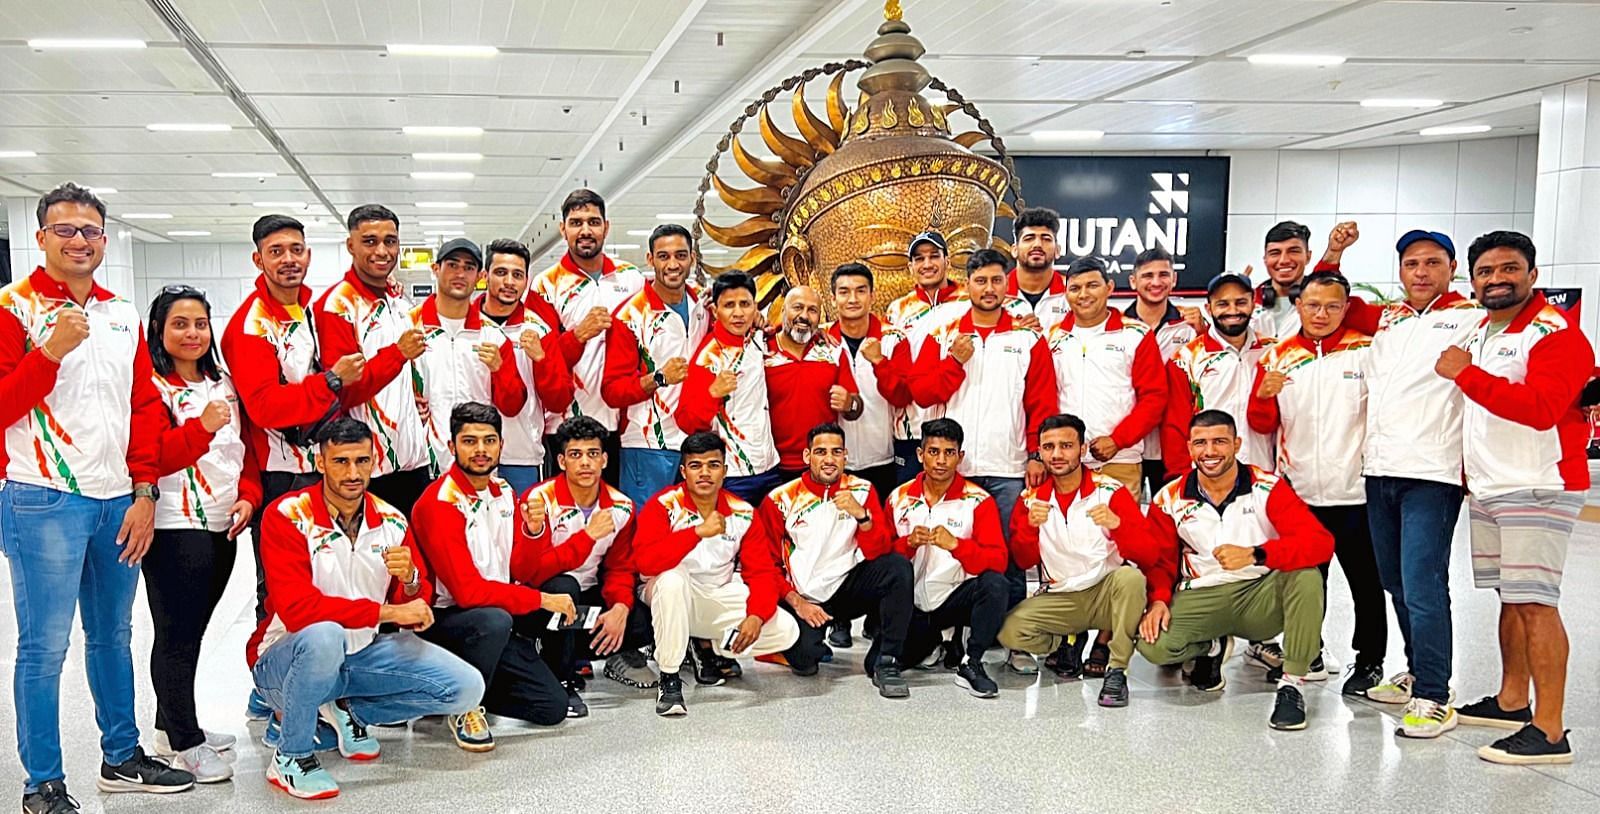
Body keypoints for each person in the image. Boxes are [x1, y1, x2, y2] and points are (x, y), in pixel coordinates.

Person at [0, 183, 195, 809]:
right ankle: (44, 782)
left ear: (105, 239)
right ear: (41, 237)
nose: (79, 240)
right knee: (42, 648)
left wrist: (144, 491)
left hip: (119, 501)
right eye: (65, 230)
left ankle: (121, 756)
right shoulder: (13, 307)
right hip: (44, 499)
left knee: (113, 636)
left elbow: (143, 407)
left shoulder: (120, 313)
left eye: (90, 230)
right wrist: (49, 354)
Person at [249, 419, 484, 799]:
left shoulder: (391, 520)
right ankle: (291, 756)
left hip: (359, 656)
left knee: (466, 687)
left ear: (375, 461)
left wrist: (410, 582)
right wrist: (388, 614)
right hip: (285, 661)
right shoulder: (287, 515)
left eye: (362, 461)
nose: (353, 473)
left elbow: (414, 599)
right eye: (341, 461)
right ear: (320, 462)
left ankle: (347, 711)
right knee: (324, 635)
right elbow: (297, 611)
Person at [1441, 231, 1592, 765]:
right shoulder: (1483, 329)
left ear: (1532, 274)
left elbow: (1543, 408)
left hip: (1537, 484)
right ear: (1474, 279)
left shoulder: (1555, 333)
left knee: (1535, 603)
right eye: (1486, 271)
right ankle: (1511, 701)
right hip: (1491, 484)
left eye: (1509, 269)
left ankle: (1550, 730)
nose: (1497, 279)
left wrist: (1467, 376)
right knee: (1511, 597)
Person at [1325, 226, 1482, 738]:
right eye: (1412, 264)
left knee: (1423, 582)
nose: (1421, 272)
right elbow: (1328, 299)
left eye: (1433, 263)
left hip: (1432, 473)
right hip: (1380, 469)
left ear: (1451, 267)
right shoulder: (1389, 321)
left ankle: (1435, 693)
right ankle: (1417, 670)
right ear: (1400, 271)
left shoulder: (1470, 319)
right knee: (1394, 580)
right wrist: (1338, 252)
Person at [908, 248, 1056, 674]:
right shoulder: (942, 331)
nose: (988, 289)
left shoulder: (1027, 339)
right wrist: (954, 360)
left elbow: (1041, 401)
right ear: (967, 283)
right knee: (948, 553)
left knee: (1008, 558)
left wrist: (1034, 453)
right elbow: (922, 393)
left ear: (1007, 284)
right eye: (980, 281)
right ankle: (951, 634)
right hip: (953, 469)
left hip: (1008, 467)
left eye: (996, 281)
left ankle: (1011, 639)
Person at [1139, 410, 1333, 731]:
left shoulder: (1268, 487)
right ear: (1189, 448)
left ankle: (1292, 685)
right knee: (1151, 643)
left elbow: (1320, 542)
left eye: (1219, 442)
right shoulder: (1168, 497)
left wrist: (1257, 554)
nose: (1210, 452)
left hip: (1259, 595)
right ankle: (1212, 646)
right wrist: (1158, 599)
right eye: (1200, 443)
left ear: (1236, 444)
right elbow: (1158, 561)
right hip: (1202, 595)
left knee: (1306, 575)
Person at [1247, 271, 1386, 694]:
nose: (1321, 314)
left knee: (1366, 582)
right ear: (1299, 307)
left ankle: (1370, 660)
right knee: (1307, 583)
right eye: (1312, 305)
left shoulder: (1367, 351)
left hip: (1358, 491)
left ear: (1346, 307)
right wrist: (1263, 396)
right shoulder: (1278, 357)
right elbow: (1261, 424)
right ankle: (1308, 651)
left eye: (1332, 305)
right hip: (1301, 492)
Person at [224, 214, 360, 646]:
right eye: (276, 251)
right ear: (258, 259)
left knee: (328, 580)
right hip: (281, 475)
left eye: (296, 250)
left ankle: (319, 685)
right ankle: (270, 691)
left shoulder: (309, 310)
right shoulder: (252, 325)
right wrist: (331, 381)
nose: (288, 259)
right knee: (282, 592)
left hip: (322, 471)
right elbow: (264, 407)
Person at [145, 286, 262, 783]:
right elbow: (153, 458)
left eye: (200, 324)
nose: (192, 334)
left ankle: (169, 724)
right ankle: (185, 742)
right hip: (175, 524)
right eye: (180, 324)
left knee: (194, 632)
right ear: (160, 330)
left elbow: (248, 450)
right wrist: (201, 427)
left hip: (223, 523)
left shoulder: (223, 381)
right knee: (176, 635)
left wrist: (250, 496)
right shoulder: (151, 385)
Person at [410, 403, 574, 752]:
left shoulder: (504, 492)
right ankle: (462, 704)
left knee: (551, 708)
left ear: (501, 445)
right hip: (448, 624)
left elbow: (522, 572)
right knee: (495, 619)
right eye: (470, 441)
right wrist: (540, 600)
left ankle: (453, 690)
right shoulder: (439, 502)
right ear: (452, 447)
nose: (481, 450)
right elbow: (467, 593)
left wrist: (533, 532)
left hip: (493, 618)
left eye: (489, 440)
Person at [631, 432, 801, 716]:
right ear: (683, 471)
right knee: (673, 580)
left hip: (716, 594)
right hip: (667, 592)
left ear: (725, 469)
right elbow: (646, 564)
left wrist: (756, 616)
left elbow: (760, 572)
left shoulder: (743, 512)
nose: (705, 473)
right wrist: (696, 533)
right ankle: (670, 678)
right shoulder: (663, 505)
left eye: (713, 464)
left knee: (787, 629)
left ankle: (707, 644)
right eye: (696, 466)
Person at [997, 414, 1160, 708]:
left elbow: (1149, 554)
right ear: (1040, 451)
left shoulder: (1110, 491)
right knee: (1010, 631)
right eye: (1049, 447)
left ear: (1082, 449)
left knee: (1131, 579)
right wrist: (1030, 530)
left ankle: (1117, 669)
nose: (1057, 454)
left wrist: (1117, 525)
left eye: (1066, 446)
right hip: (1063, 596)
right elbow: (1023, 561)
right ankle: (1064, 643)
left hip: (1105, 593)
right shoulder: (1029, 499)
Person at [759, 423, 913, 696]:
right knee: (806, 662)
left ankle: (886, 661)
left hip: (847, 588)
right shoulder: (779, 499)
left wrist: (862, 515)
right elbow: (766, 566)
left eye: (836, 452)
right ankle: (786, 647)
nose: (829, 460)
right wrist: (798, 602)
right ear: (807, 457)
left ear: (845, 456)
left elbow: (879, 550)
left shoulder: (863, 490)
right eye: (820, 452)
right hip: (806, 598)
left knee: (897, 568)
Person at [519, 416, 657, 716]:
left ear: (605, 460)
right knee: (564, 588)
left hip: (587, 598)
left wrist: (619, 607)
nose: (585, 463)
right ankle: (561, 678)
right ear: (561, 460)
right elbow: (529, 573)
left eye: (593, 454)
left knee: (641, 620)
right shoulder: (538, 499)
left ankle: (568, 654)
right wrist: (587, 537)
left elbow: (619, 568)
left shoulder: (621, 506)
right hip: (541, 599)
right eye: (575, 455)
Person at [314, 204, 431, 514]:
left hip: (412, 460)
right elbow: (344, 391)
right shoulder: (337, 305)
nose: (382, 250)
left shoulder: (396, 299)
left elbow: (401, 374)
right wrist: (397, 355)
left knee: (412, 558)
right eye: (370, 241)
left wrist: (413, 397)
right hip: (367, 467)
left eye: (390, 241)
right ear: (350, 245)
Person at [885, 418, 1010, 698]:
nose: (941, 461)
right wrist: (907, 545)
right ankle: (939, 643)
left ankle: (971, 661)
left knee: (995, 585)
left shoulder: (979, 501)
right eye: (933, 452)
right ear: (920, 454)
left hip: (955, 599)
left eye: (949, 453)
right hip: (911, 605)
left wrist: (957, 546)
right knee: (876, 666)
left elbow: (998, 561)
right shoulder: (897, 498)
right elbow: (880, 562)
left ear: (960, 457)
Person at [530, 189, 648, 484]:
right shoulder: (545, 285)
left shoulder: (631, 278)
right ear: (563, 229)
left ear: (606, 227)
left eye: (593, 222)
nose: (585, 230)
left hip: (620, 424)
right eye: (576, 222)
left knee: (615, 512)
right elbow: (544, 360)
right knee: (566, 514)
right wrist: (578, 335)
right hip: (563, 425)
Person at [603, 224, 712, 506]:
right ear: (650, 260)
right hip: (648, 445)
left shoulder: (705, 303)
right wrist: (659, 378)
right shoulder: (630, 316)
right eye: (663, 256)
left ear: (693, 258)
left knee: (693, 537)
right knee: (646, 539)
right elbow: (613, 391)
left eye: (680, 255)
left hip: (699, 442)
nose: (673, 264)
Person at [1047, 255, 1165, 495]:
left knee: (1120, 531)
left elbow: (1155, 398)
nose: (1083, 295)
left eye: (1092, 286)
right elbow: (1045, 398)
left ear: (1109, 287)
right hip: (1065, 462)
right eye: (1075, 288)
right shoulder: (1052, 338)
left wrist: (1117, 440)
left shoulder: (1136, 334)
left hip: (1120, 459)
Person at [409, 238, 528, 464]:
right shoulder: (409, 326)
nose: (460, 274)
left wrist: (499, 370)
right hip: (421, 461)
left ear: (480, 277)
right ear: (436, 269)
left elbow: (512, 406)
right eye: (453, 265)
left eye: (469, 267)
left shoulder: (493, 336)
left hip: (478, 461)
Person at [475, 238, 574, 496]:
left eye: (517, 275)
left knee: (523, 530)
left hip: (521, 456)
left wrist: (541, 360)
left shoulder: (539, 329)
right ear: (485, 276)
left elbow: (559, 400)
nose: (509, 282)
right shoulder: (464, 325)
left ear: (526, 281)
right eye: (501, 273)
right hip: (467, 452)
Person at [675, 272, 781, 504]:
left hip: (771, 466)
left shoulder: (758, 338)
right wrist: (712, 393)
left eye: (745, 304)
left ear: (755, 307)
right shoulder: (708, 358)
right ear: (716, 311)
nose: (738, 313)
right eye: (729, 305)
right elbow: (686, 421)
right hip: (734, 473)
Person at [1162, 272, 1277, 481]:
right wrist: (1182, 477)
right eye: (1223, 304)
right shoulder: (1185, 358)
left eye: (1240, 302)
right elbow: (1175, 426)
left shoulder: (1274, 353)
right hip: (1206, 476)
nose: (1233, 311)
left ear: (1253, 303)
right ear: (1209, 308)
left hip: (1262, 473)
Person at [1124, 246, 1205, 501]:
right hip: (1127, 444)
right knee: (1125, 522)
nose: (1156, 282)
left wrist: (1204, 333)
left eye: (1163, 275)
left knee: (1173, 520)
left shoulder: (1190, 326)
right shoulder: (1116, 325)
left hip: (1173, 446)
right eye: (1148, 276)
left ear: (1174, 279)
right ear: (1133, 281)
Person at [884, 230, 964, 485]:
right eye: (919, 259)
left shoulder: (967, 303)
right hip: (908, 433)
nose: (927, 264)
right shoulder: (897, 310)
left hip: (954, 432)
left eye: (934, 256)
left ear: (947, 261)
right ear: (910, 267)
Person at [763, 284, 862, 483]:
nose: (805, 316)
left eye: (812, 310)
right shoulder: (761, 349)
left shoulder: (833, 351)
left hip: (822, 465)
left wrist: (849, 403)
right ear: (783, 311)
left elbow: (856, 407)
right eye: (797, 307)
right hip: (772, 467)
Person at [826, 263, 906, 500]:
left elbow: (903, 396)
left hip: (884, 460)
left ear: (872, 296)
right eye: (844, 292)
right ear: (832, 298)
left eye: (860, 291)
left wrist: (880, 362)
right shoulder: (820, 344)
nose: (852, 298)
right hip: (836, 464)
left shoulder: (893, 339)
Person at [1250, 220, 1355, 341]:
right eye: (1275, 253)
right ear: (1265, 259)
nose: (1284, 260)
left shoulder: (1327, 305)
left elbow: (1325, 281)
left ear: (1308, 256)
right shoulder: (1245, 303)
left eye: (1293, 251)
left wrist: (1334, 251)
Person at [1006, 207, 1070, 329]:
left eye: (1046, 239)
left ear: (1057, 250)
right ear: (1014, 250)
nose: (1037, 245)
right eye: (1029, 238)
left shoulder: (1074, 293)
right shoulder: (995, 292)